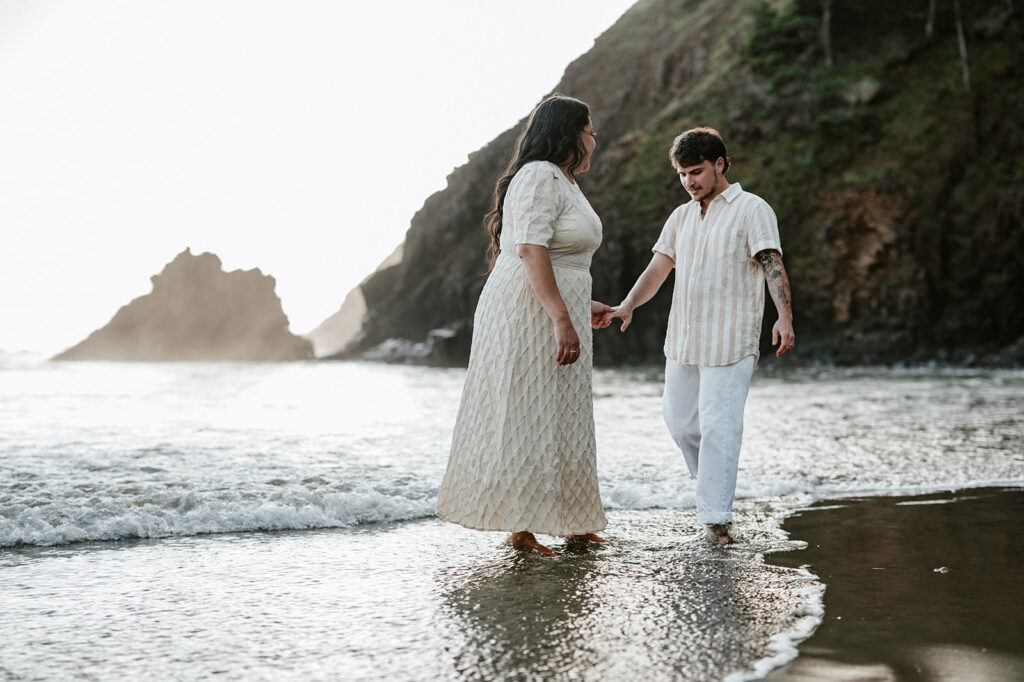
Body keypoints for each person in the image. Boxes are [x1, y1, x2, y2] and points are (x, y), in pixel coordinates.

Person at [436, 94, 615, 557]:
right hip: (525, 311)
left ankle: (576, 521)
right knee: (526, 409)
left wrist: (580, 303)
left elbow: (562, 257)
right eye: (590, 130)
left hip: (555, 302)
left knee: (565, 410)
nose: (594, 139)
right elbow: (530, 250)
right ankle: (521, 526)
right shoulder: (538, 175)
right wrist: (561, 316)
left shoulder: (565, 181)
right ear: (570, 133)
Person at [605, 127, 795, 546]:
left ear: (720, 165)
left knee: (719, 429)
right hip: (684, 340)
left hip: (731, 341)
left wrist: (784, 317)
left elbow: (771, 262)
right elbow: (658, 270)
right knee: (680, 422)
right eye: (682, 174)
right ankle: (712, 481)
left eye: (696, 172)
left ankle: (717, 523)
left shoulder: (752, 209)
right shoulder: (681, 216)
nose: (689, 181)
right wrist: (628, 305)